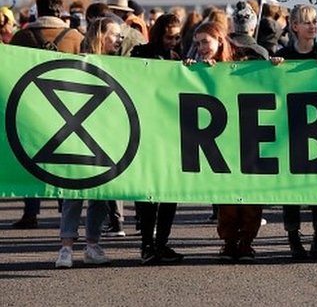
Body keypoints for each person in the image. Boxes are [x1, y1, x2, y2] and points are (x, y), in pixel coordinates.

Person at [186, 21, 264, 262]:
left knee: (251, 194)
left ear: (219, 40)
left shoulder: (245, 61)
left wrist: (274, 66)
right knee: (225, 196)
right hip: (219, 141)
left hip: (248, 136)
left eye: (205, 42)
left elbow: (263, 81)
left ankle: (247, 242)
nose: (200, 47)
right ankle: (230, 241)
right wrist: (192, 70)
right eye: (197, 43)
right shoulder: (200, 65)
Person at [9, 0, 84, 230]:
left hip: (29, 107)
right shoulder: (75, 37)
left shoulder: (22, 36)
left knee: (30, 160)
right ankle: (65, 212)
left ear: (38, 11)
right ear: (60, 10)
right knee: (63, 160)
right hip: (69, 107)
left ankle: (30, 213)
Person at [54, 16, 123, 268]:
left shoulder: (121, 64)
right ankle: (66, 248)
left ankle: (92, 244)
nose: (119, 39)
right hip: (78, 135)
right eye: (115, 34)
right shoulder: (77, 63)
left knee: (100, 196)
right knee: (74, 193)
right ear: (100, 35)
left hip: (105, 136)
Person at [269, 4, 317, 260]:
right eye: (306, 22)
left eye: (315, 21)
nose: (313, 26)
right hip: (291, 132)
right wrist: (273, 68)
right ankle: (294, 238)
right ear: (294, 26)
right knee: (292, 188)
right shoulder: (284, 55)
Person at [129, 14, 185, 264]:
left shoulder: (177, 58)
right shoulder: (140, 54)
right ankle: (147, 245)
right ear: (158, 33)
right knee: (148, 193)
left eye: (177, 37)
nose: (173, 41)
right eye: (169, 37)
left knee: (170, 192)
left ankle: (161, 243)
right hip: (146, 132)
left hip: (171, 133)